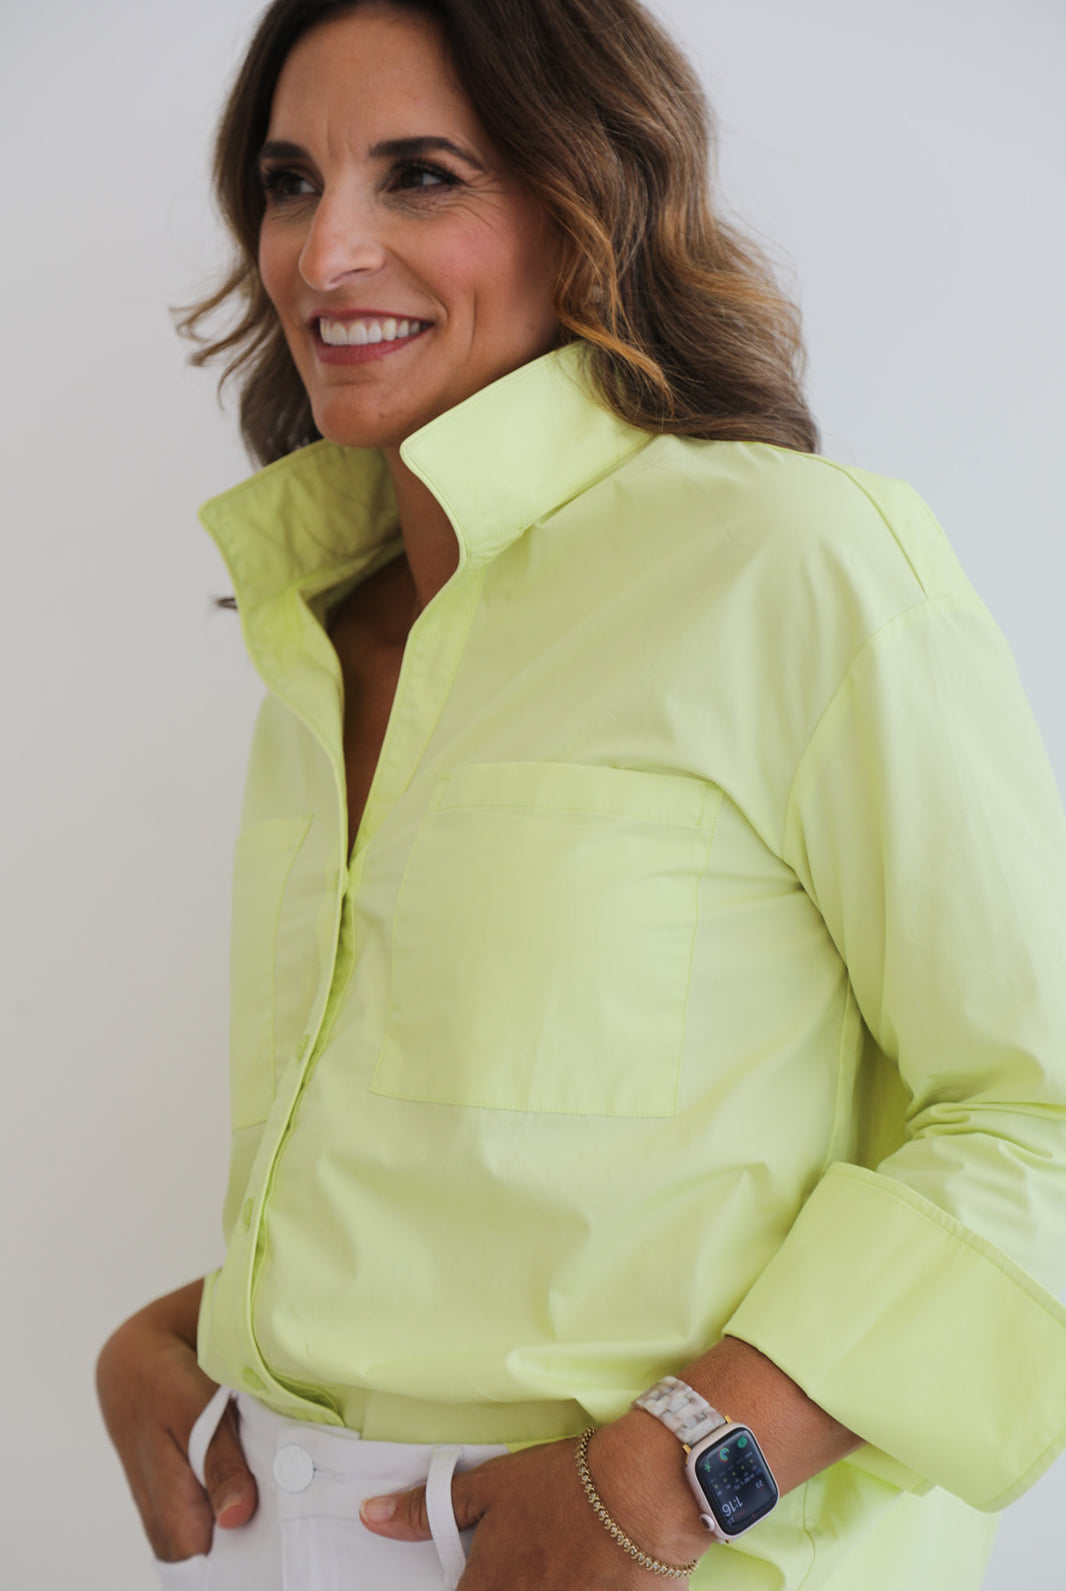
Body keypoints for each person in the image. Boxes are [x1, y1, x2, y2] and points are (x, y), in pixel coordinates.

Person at [96, 1, 1066, 1587]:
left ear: (583, 202)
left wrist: (678, 1471)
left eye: (419, 176)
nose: (324, 252)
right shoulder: (317, 645)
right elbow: (526, 1190)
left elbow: (1033, 1114)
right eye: (288, 182)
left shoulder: (785, 560)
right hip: (286, 1533)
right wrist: (202, 1328)